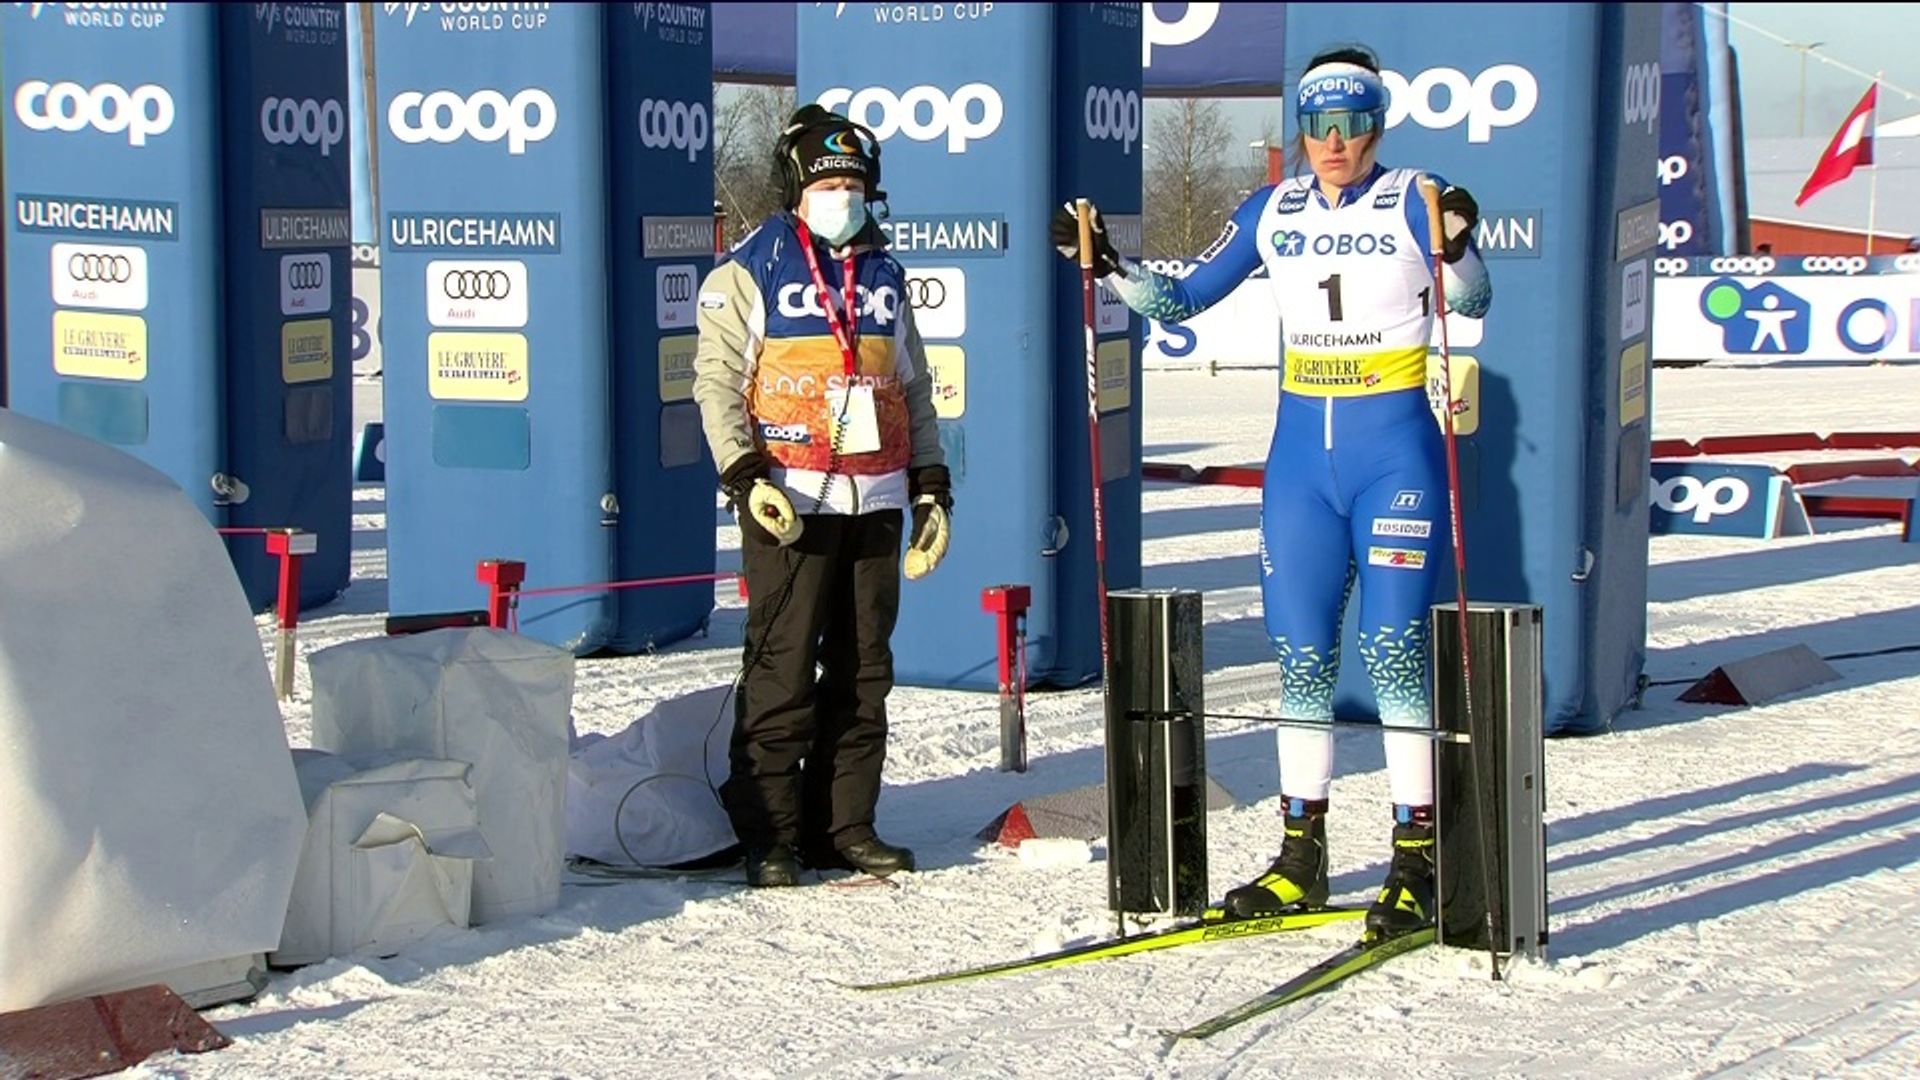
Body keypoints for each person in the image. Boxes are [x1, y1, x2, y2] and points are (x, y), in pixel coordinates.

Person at [1052, 45, 1492, 940]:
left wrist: (1455, 243)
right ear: (1301, 127)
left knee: (1395, 650)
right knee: (1301, 657)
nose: (1335, 141)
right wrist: (1108, 265)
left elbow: (1474, 299)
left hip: (1394, 460)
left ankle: (1418, 859)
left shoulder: (1413, 195)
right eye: (1319, 123)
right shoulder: (1273, 208)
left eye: (1353, 123)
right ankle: (1302, 855)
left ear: (1378, 127)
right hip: (1299, 467)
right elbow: (1179, 301)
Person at [693, 105, 952, 888]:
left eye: (854, 186)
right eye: (828, 185)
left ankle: (843, 826)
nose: (843, 198)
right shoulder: (750, 269)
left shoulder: (886, 275)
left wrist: (931, 486)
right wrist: (744, 476)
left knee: (864, 670)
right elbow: (716, 385)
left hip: (875, 499)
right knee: (781, 668)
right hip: (790, 499)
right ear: (796, 190)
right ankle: (770, 834)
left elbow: (914, 388)